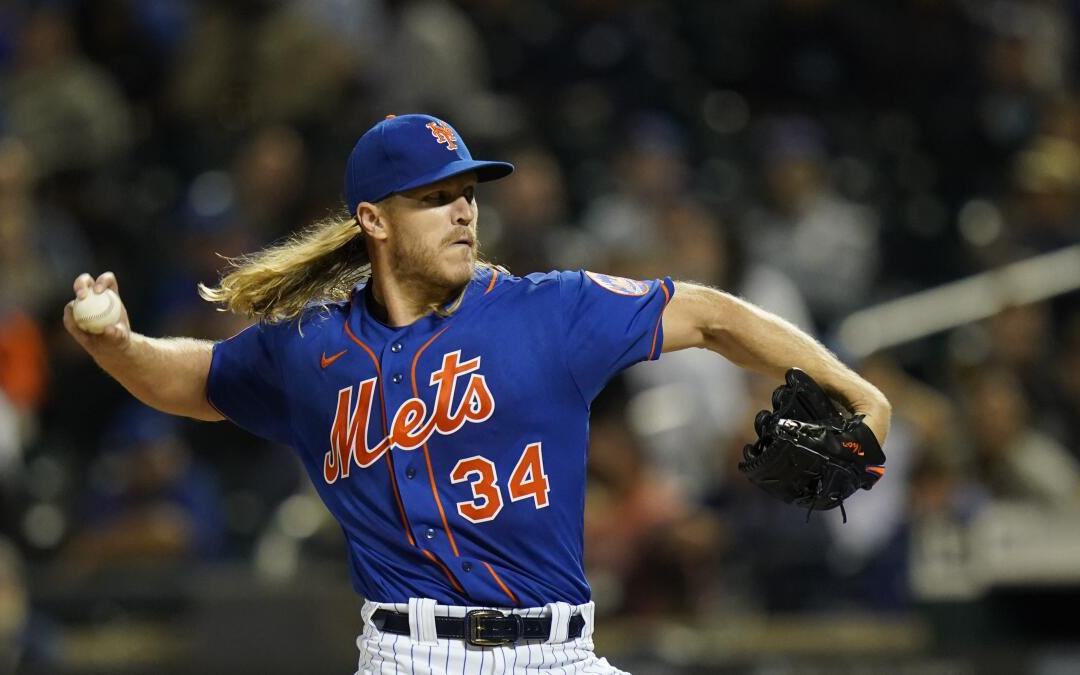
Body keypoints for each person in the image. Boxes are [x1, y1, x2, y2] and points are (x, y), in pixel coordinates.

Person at [63, 114, 892, 674]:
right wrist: (116, 343)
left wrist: (855, 390)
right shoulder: (309, 348)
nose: (463, 211)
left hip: (561, 653)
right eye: (435, 197)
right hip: (411, 656)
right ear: (375, 221)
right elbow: (195, 381)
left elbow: (708, 316)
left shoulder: (549, 309)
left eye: (467, 192)